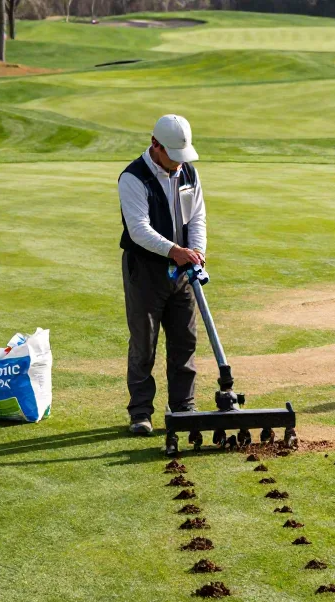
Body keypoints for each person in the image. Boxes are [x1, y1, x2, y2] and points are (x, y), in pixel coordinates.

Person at [118, 114, 208, 435]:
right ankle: (141, 412)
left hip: (183, 269)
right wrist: (175, 251)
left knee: (185, 340)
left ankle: (183, 406)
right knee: (144, 343)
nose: (179, 163)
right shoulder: (132, 178)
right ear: (155, 145)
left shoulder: (188, 173)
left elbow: (196, 217)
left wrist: (196, 253)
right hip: (145, 271)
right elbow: (139, 230)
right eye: (173, 155)